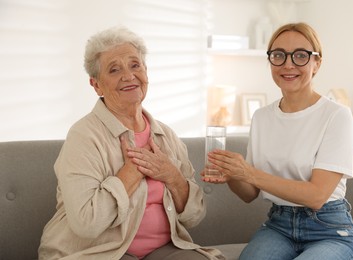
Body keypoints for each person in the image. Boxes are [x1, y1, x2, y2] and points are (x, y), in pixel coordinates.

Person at [38, 26, 223, 260]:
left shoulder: (166, 136)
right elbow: (86, 223)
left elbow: (194, 217)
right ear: (96, 85)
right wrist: (131, 172)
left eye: (135, 65)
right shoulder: (83, 137)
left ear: (146, 71)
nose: (128, 75)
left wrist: (172, 176)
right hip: (97, 251)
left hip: (163, 249)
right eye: (114, 70)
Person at [203, 22, 353, 260]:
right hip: (279, 226)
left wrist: (248, 173)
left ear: (316, 63)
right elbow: (249, 193)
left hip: (329, 228)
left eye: (300, 55)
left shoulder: (336, 115)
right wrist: (232, 175)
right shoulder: (262, 117)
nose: (288, 64)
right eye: (278, 55)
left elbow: (317, 196)